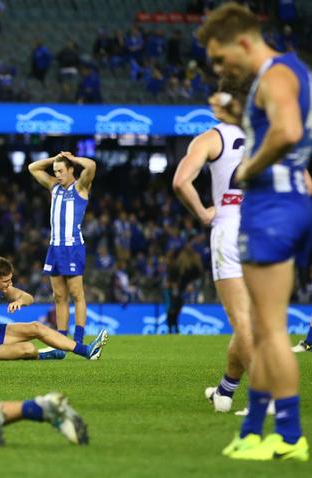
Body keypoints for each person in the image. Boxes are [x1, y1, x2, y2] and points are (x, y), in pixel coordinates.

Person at [198, 2, 312, 461]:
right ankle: (255, 430)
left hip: (272, 211)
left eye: (222, 59)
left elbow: (285, 132)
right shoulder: (292, 72)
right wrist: (238, 114)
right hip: (288, 206)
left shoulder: (276, 74)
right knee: (266, 330)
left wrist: (249, 168)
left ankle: (286, 437)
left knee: (267, 332)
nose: (221, 68)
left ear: (243, 41)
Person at [173, 77, 253, 412]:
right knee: (252, 320)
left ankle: (272, 397)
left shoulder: (212, 137)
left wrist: (204, 213)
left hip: (231, 225)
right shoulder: (271, 132)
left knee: (242, 321)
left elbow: (181, 181)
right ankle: (225, 392)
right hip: (269, 228)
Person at [0, 257, 109, 361]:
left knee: (36, 326)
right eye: (6, 281)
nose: (10, 284)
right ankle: (45, 356)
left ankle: (87, 350)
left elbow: (29, 298)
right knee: (28, 349)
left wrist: (20, 302)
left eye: (10, 280)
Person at [28, 151, 96, 344]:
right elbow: (32, 167)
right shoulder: (54, 187)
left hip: (72, 247)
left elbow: (91, 166)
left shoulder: (80, 187)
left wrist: (72, 158)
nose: (57, 174)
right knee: (59, 296)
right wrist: (54, 159)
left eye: (60, 170)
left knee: (77, 294)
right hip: (54, 247)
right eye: (55, 171)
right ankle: (61, 339)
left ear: (71, 170)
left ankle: (79, 339)